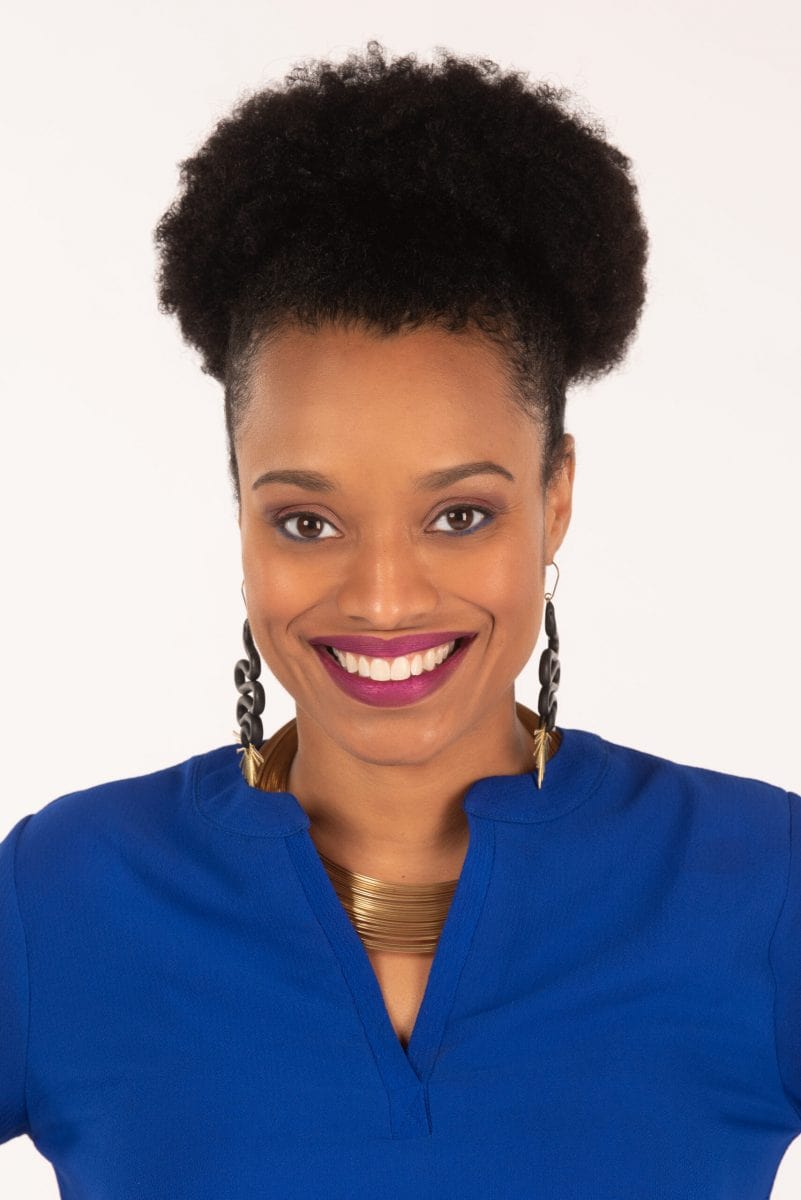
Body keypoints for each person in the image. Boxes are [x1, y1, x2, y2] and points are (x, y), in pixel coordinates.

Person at [0, 40, 798, 1199]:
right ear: (239, 505)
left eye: (460, 515)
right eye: (308, 522)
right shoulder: (67, 895)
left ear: (556, 498)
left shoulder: (756, 884)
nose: (382, 599)